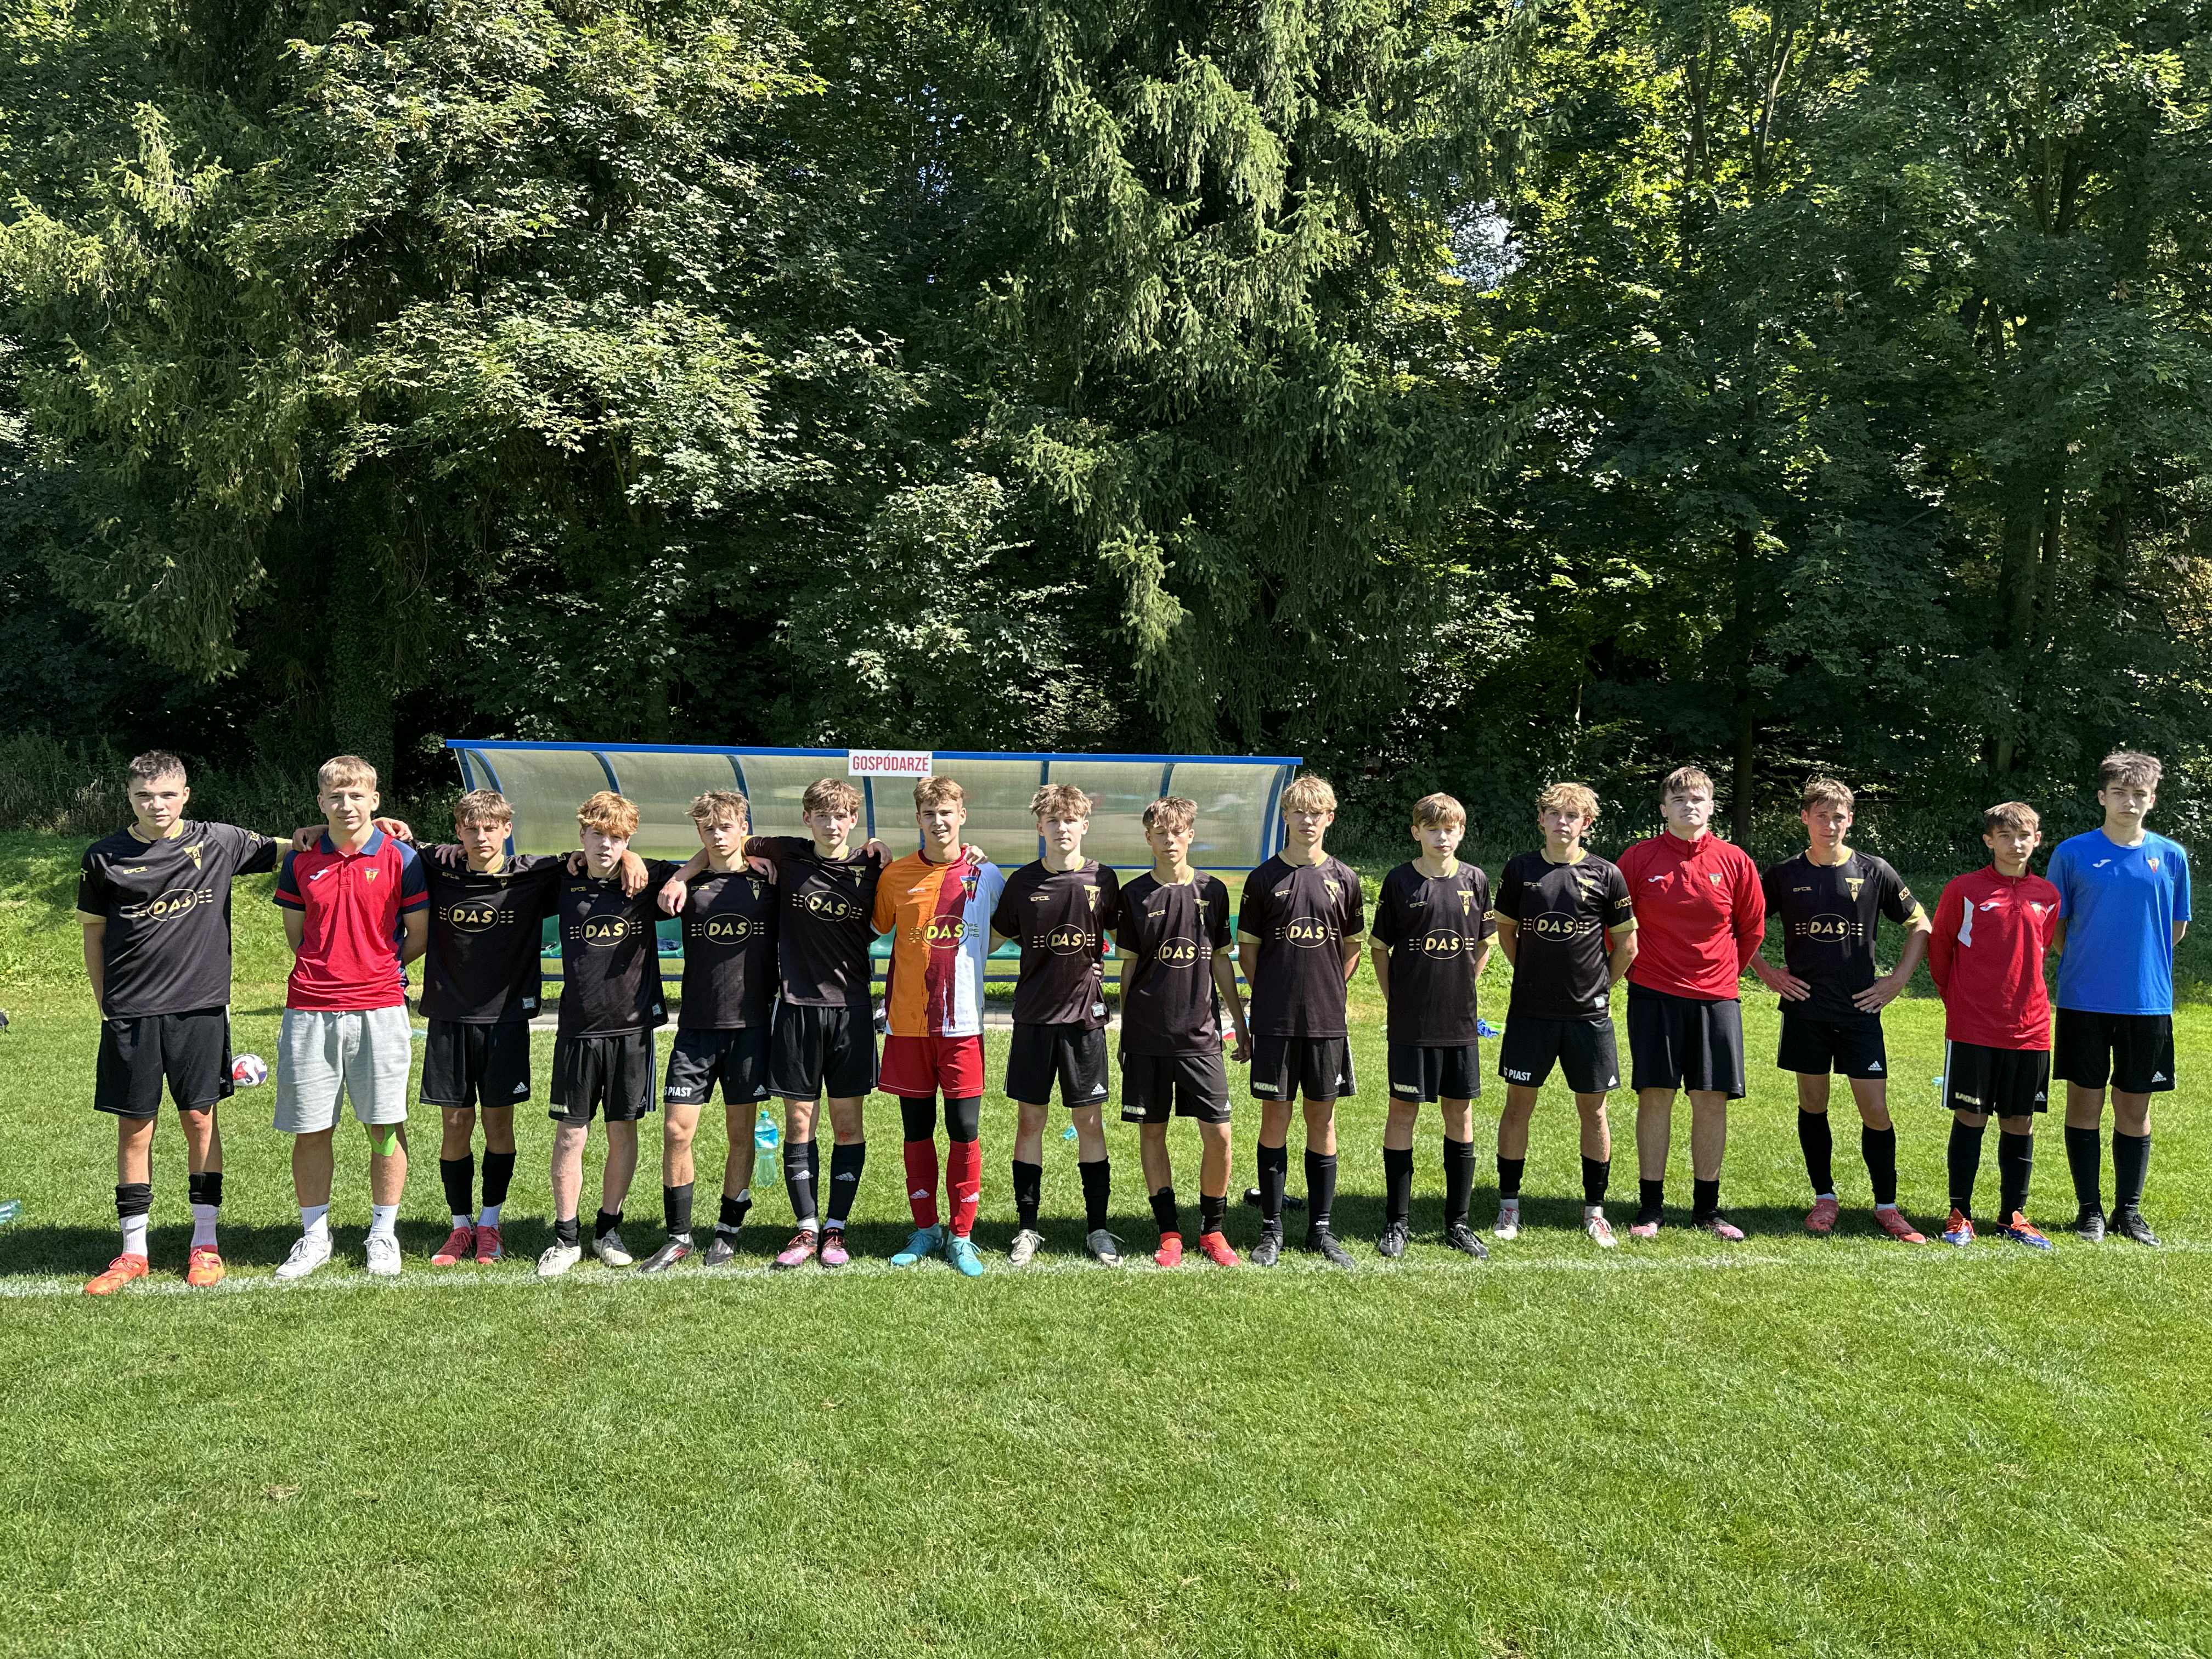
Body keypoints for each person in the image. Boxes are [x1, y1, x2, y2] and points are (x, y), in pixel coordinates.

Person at [76, 752, 289, 1294]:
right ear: (130, 798)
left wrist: (371, 828)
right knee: (135, 1128)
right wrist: (107, 1003)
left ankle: (206, 1243)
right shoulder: (103, 856)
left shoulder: (219, 841)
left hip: (199, 1007)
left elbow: (301, 847)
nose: (157, 805)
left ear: (186, 794)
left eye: (168, 794)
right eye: (145, 796)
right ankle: (133, 1252)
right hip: (131, 1011)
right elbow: (94, 934)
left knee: (200, 1119)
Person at [414, 789, 646, 1268]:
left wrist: (633, 856)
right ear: (458, 831)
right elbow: (383, 840)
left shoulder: (536, 873)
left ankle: (490, 1224)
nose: (481, 837)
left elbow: (602, 849)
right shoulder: (437, 865)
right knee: (455, 1124)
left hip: (506, 1018)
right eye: (471, 829)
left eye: (490, 828)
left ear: (507, 829)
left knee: (498, 1124)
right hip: (448, 1015)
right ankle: (460, 1227)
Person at [663, 779, 888, 1268]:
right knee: (799, 1122)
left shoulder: (874, 865)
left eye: (841, 816)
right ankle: (806, 1228)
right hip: (796, 1008)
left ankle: (836, 1229)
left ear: (854, 820)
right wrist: (681, 875)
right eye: (822, 815)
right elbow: (724, 843)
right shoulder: (786, 854)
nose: (832, 825)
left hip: (850, 1009)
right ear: (807, 819)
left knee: (848, 1125)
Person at [271, 755, 431, 1280]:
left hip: (380, 1008)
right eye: (336, 796)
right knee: (311, 1127)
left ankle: (383, 1233)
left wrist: (377, 969)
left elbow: (418, 936)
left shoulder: (401, 857)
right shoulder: (301, 860)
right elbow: (298, 937)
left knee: (384, 1125)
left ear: (375, 800)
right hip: (310, 1008)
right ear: (321, 802)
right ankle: (314, 1235)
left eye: (357, 795)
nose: (346, 805)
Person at [1752, 777, 1931, 1242]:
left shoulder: (1874, 871)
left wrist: (1897, 981)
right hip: (1806, 1010)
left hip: (1859, 1011)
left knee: (1875, 1109)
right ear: (1805, 818)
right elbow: (1741, 925)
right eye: (1821, 816)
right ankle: (1824, 1198)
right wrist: (1767, 973)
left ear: (1850, 820)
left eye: (1838, 817)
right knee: (1813, 1104)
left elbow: (1920, 924)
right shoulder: (1784, 874)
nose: (1829, 825)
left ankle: (1887, 1206)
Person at [535, 791, 684, 1277]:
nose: (606, 845)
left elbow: (705, 860)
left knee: (623, 1130)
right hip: (578, 1030)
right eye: (598, 835)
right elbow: (498, 861)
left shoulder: (646, 878)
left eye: (618, 838)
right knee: (570, 1135)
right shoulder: (563, 875)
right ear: (582, 835)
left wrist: (638, 860)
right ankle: (566, 1238)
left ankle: (607, 1229)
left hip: (632, 1030)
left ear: (630, 839)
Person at [1615, 766, 1765, 1239]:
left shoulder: (1735, 861)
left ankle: (1707, 1210)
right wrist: (1633, 972)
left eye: (1698, 799)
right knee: (1655, 1096)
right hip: (1653, 994)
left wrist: (1723, 976)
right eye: (1679, 800)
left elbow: (1752, 929)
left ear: (1712, 806)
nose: (1689, 806)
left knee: (1711, 1099)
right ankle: (1650, 1209)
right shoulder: (1638, 859)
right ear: (1664, 809)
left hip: (1716, 998)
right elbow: (1615, 925)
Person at [2048, 751, 2191, 1245]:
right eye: (2120, 793)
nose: (2129, 802)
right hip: (2084, 999)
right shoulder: (2072, 853)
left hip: (2147, 1002)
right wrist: (2092, 958)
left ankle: (2129, 1211)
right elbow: (2058, 927)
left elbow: (2175, 928)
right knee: (2084, 1103)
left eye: (2139, 794)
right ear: (2102, 797)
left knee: (2134, 1108)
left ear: (2152, 800)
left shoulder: (2171, 856)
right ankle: (2089, 1211)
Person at [1491, 782, 1638, 1249]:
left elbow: (1627, 946)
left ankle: (1595, 1210)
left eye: (1572, 816)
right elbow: (1507, 932)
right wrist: (1531, 976)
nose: (1562, 823)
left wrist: (1597, 989)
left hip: (1587, 1019)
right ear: (1541, 820)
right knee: (1518, 1106)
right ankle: (1509, 1205)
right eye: (1554, 814)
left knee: (1594, 1111)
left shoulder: (1607, 874)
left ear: (1586, 823)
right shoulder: (1520, 870)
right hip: (1531, 1013)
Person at [639, 791, 778, 1273]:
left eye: (726, 826)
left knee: (740, 1133)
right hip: (696, 1029)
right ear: (698, 832)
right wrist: (681, 874)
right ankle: (678, 1236)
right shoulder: (681, 884)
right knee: (676, 1131)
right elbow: (621, 859)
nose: (718, 836)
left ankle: (727, 1231)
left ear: (743, 828)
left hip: (750, 1029)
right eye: (708, 828)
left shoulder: (769, 880)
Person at [876, 776, 1005, 1276]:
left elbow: (1003, 929)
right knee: (917, 1128)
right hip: (908, 1025)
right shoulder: (896, 875)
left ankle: (963, 1235)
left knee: (964, 1129)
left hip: (963, 1024)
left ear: (962, 816)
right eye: (929, 814)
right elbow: (875, 926)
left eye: (947, 812)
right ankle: (926, 1229)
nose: (939, 822)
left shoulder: (985, 873)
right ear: (918, 819)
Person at [1237, 773, 1365, 1268]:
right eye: (1299, 813)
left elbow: (1351, 949)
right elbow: (1249, 952)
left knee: (1322, 1119)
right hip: (1275, 1020)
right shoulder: (1263, 879)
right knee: (1275, 1118)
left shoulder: (1345, 878)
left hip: (1326, 1020)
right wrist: (1273, 991)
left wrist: (1327, 988)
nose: (1308, 821)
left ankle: (1321, 1229)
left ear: (1329, 818)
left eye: (1317, 813)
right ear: (1286, 817)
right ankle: (1271, 1229)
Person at [1116, 796, 1250, 1267]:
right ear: (1148, 838)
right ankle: (1169, 1232)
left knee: (1220, 1135)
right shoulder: (1134, 895)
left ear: (1190, 835)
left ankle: (1213, 1231)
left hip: (1201, 1036)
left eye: (1177, 832)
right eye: (1160, 833)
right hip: (1148, 1035)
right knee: (1153, 1132)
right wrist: (1124, 1031)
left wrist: (1240, 1023)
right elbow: (1128, 969)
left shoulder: (1213, 890)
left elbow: (1221, 961)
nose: (1169, 840)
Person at [992, 784, 1123, 1266]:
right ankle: (1027, 1228)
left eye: (1070, 820)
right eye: (1053, 821)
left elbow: (1129, 940)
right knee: (1030, 1121)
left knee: (1089, 1122)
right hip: (1034, 1018)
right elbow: (988, 939)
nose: (1062, 828)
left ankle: (1098, 1229)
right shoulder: (1023, 882)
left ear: (1084, 825)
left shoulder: (1103, 879)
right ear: (1040, 827)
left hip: (1084, 1021)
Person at [1927, 802, 2062, 1249]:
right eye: (2005, 836)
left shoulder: (2048, 895)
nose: (2015, 844)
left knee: (2019, 1120)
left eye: (2024, 836)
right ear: (1989, 840)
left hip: (2031, 1028)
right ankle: (1959, 1214)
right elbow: (1941, 951)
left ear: (2037, 840)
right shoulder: (1964, 890)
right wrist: (1959, 1004)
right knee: (1972, 1115)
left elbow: (2040, 949)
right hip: (1974, 1028)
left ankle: (2012, 1216)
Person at [1368, 792, 1494, 1259]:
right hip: (1412, 1023)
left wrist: (1464, 985)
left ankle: (1457, 1222)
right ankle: (1397, 1222)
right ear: (1416, 832)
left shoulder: (1475, 880)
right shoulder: (1400, 881)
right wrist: (1396, 999)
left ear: (1461, 832)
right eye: (1433, 828)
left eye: (1450, 829)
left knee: (1460, 1115)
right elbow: (1379, 947)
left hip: (1459, 1022)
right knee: (1403, 1112)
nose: (1442, 837)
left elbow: (1485, 942)